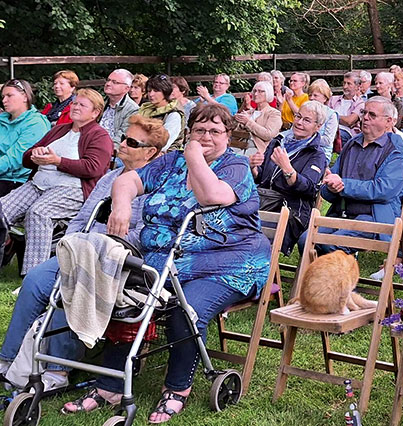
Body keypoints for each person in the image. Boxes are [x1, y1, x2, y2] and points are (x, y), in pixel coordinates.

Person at [66, 104, 271, 423]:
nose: (206, 137)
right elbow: (127, 182)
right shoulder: (171, 162)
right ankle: (110, 385)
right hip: (164, 261)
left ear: (228, 136)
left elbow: (211, 196)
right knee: (126, 297)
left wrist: (194, 155)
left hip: (225, 264)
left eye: (215, 131)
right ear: (189, 131)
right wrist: (121, 205)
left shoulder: (236, 166)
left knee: (184, 309)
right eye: (199, 130)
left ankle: (176, 389)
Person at [0, 115, 165, 392]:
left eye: (132, 142)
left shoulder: (157, 186)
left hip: (123, 259)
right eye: (124, 137)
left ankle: (58, 368)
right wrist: (74, 243)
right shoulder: (111, 177)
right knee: (36, 279)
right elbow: (81, 218)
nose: (122, 143)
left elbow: (147, 234)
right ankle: (8, 358)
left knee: (74, 283)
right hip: (84, 246)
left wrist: (99, 245)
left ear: (150, 152)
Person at [1, 88, 113, 275]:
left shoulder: (99, 136)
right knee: (2, 209)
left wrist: (58, 161)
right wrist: (34, 155)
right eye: (75, 103)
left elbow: (93, 168)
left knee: (39, 213)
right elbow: (27, 156)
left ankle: (32, 275)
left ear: (95, 112)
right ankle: (9, 245)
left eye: (82, 105)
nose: (75, 107)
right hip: (39, 184)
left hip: (73, 188)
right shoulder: (60, 129)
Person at [300, 97, 403, 255]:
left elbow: (384, 190)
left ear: (389, 121)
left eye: (372, 115)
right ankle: (318, 278)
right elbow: (328, 187)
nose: (365, 117)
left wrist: (343, 185)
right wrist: (331, 187)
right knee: (306, 240)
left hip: (373, 217)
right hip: (342, 214)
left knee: (331, 245)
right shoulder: (352, 144)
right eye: (364, 112)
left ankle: (335, 278)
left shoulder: (397, 150)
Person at [250, 101, 328, 254]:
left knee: (250, 232)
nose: (299, 122)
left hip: (291, 212)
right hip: (263, 202)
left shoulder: (316, 154)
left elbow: (309, 189)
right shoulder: (278, 142)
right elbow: (260, 177)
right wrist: (253, 166)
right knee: (230, 223)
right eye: (298, 116)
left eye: (306, 120)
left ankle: (257, 272)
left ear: (318, 127)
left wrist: (287, 168)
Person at [0, 79, 51, 196]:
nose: (4, 100)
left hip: (15, 181)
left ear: (24, 97)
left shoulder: (36, 124)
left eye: (9, 95)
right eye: (3, 96)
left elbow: (14, 159)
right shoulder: (3, 120)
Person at [138, 74, 185, 151]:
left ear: (165, 92)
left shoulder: (174, 115)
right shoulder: (145, 109)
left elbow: (163, 145)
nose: (151, 94)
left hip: (164, 157)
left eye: (156, 91)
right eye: (149, 91)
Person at [233, 81, 282, 155]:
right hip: (239, 145)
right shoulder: (249, 112)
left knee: (235, 159)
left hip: (259, 149)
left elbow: (268, 135)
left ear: (268, 94)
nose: (256, 94)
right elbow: (235, 136)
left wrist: (248, 122)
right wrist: (240, 122)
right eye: (254, 91)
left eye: (260, 91)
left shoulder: (274, 113)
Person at [99, 69, 139, 147]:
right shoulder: (100, 102)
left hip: (111, 151)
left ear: (126, 88)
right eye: (108, 80)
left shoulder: (133, 110)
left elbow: (121, 138)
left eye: (114, 82)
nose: (108, 84)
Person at [330, 71, 366, 144]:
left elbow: (349, 121)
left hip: (347, 133)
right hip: (330, 129)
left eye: (349, 84)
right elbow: (325, 116)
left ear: (357, 87)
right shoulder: (333, 99)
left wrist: (332, 116)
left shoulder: (360, 103)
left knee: (337, 135)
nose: (345, 86)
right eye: (344, 83)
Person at [306, 79, 338, 160]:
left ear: (325, 98)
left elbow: (327, 140)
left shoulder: (331, 115)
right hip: (303, 149)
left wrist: (307, 138)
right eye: (310, 95)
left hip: (321, 153)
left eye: (315, 95)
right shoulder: (305, 110)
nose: (311, 98)